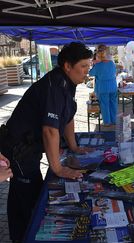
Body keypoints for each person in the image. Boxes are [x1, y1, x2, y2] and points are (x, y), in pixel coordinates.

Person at [0, 42, 93, 243]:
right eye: (84, 66)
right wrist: (58, 169)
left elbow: (67, 118)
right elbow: (50, 130)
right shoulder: (55, 85)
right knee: (29, 198)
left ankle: (20, 235)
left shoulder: (70, 83)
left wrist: (74, 146)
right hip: (19, 150)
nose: (87, 71)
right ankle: (25, 237)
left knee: (22, 194)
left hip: (29, 148)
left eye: (89, 65)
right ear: (68, 66)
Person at [89, 44, 118, 126]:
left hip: (103, 87)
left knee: (105, 105)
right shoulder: (112, 63)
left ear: (98, 56)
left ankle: (107, 122)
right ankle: (114, 120)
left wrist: (94, 65)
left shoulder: (98, 66)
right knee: (113, 103)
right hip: (113, 86)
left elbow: (90, 73)